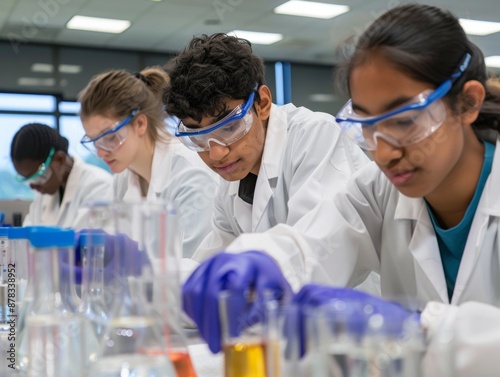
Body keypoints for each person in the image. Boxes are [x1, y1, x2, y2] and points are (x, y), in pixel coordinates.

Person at [182, 4, 500, 373]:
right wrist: (261, 261)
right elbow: (313, 243)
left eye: (406, 120)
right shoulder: (379, 189)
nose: (383, 152)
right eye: (367, 124)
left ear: (468, 102)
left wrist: (419, 329)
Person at [164, 33, 371, 285]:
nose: (216, 153)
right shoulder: (233, 176)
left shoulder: (315, 136)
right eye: (198, 137)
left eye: (229, 128)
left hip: (349, 315)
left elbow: (316, 255)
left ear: (262, 102)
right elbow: (213, 264)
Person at [78, 67, 218, 258]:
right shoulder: (124, 178)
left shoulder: (190, 174)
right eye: (94, 141)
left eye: (109, 138)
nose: (101, 152)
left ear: (140, 124)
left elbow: (193, 266)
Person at [10, 123, 113, 229]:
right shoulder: (43, 194)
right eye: (29, 181)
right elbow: (27, 236)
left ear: (60, 160)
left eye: (38, 178)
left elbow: (92, 242)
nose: (34, 187)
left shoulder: (99, 186)